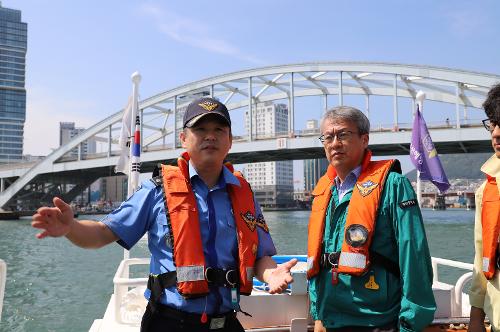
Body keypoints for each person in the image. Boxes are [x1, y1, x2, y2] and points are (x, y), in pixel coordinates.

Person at [31, 97, 297, 332]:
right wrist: (71, 228)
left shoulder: (244, 195)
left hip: (226, 320)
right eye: (200, 129)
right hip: (169, 321)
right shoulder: (156, 191)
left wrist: (271, 274)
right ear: (183, 139)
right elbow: (101, 234)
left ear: (230, 140)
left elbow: (260, 255)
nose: (210, 136)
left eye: (219, 130)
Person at [307, 106, 436, 332]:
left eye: (343, 135)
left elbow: (414, 257)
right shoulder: (324, 191)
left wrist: (409, 324)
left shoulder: (394, 186)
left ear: (364, 139)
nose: (334, 143)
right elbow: (320, 259)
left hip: (377, 321)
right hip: (330, 322)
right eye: (328, 137)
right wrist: (318, 315)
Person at [468, 83, 500, 332]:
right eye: (492, 123)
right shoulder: (486, 190)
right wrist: (476, 315)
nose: (496, 133)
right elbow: (481, 258)